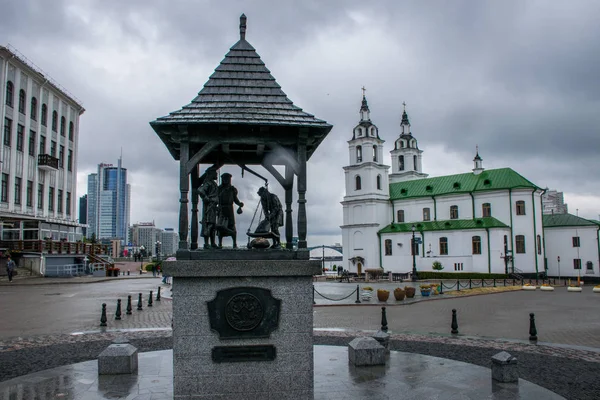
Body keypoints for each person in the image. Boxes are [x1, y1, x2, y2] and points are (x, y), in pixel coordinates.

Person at [217, 173, 244, 248]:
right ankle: (220, 243)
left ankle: (234, 243)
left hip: (229, 210)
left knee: (232, 226)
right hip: (221, 209)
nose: (226, 180)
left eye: (228, 178)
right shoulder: (219, 189)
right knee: (220, 226)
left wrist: (239, 204)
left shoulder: (232, 189)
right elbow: (216, 199)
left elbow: (235, 199)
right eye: (225, 178)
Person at [198, 166, 219, 249]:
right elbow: (200, 190)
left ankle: (213, 243)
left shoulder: (213, 183)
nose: (216, 174)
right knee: (208, 224)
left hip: (213, 206)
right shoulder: (208, 183)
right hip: (209, 206)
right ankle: (206, 244)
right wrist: (205, 197)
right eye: (215, 173)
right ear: (211, 174)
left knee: (213, 225)